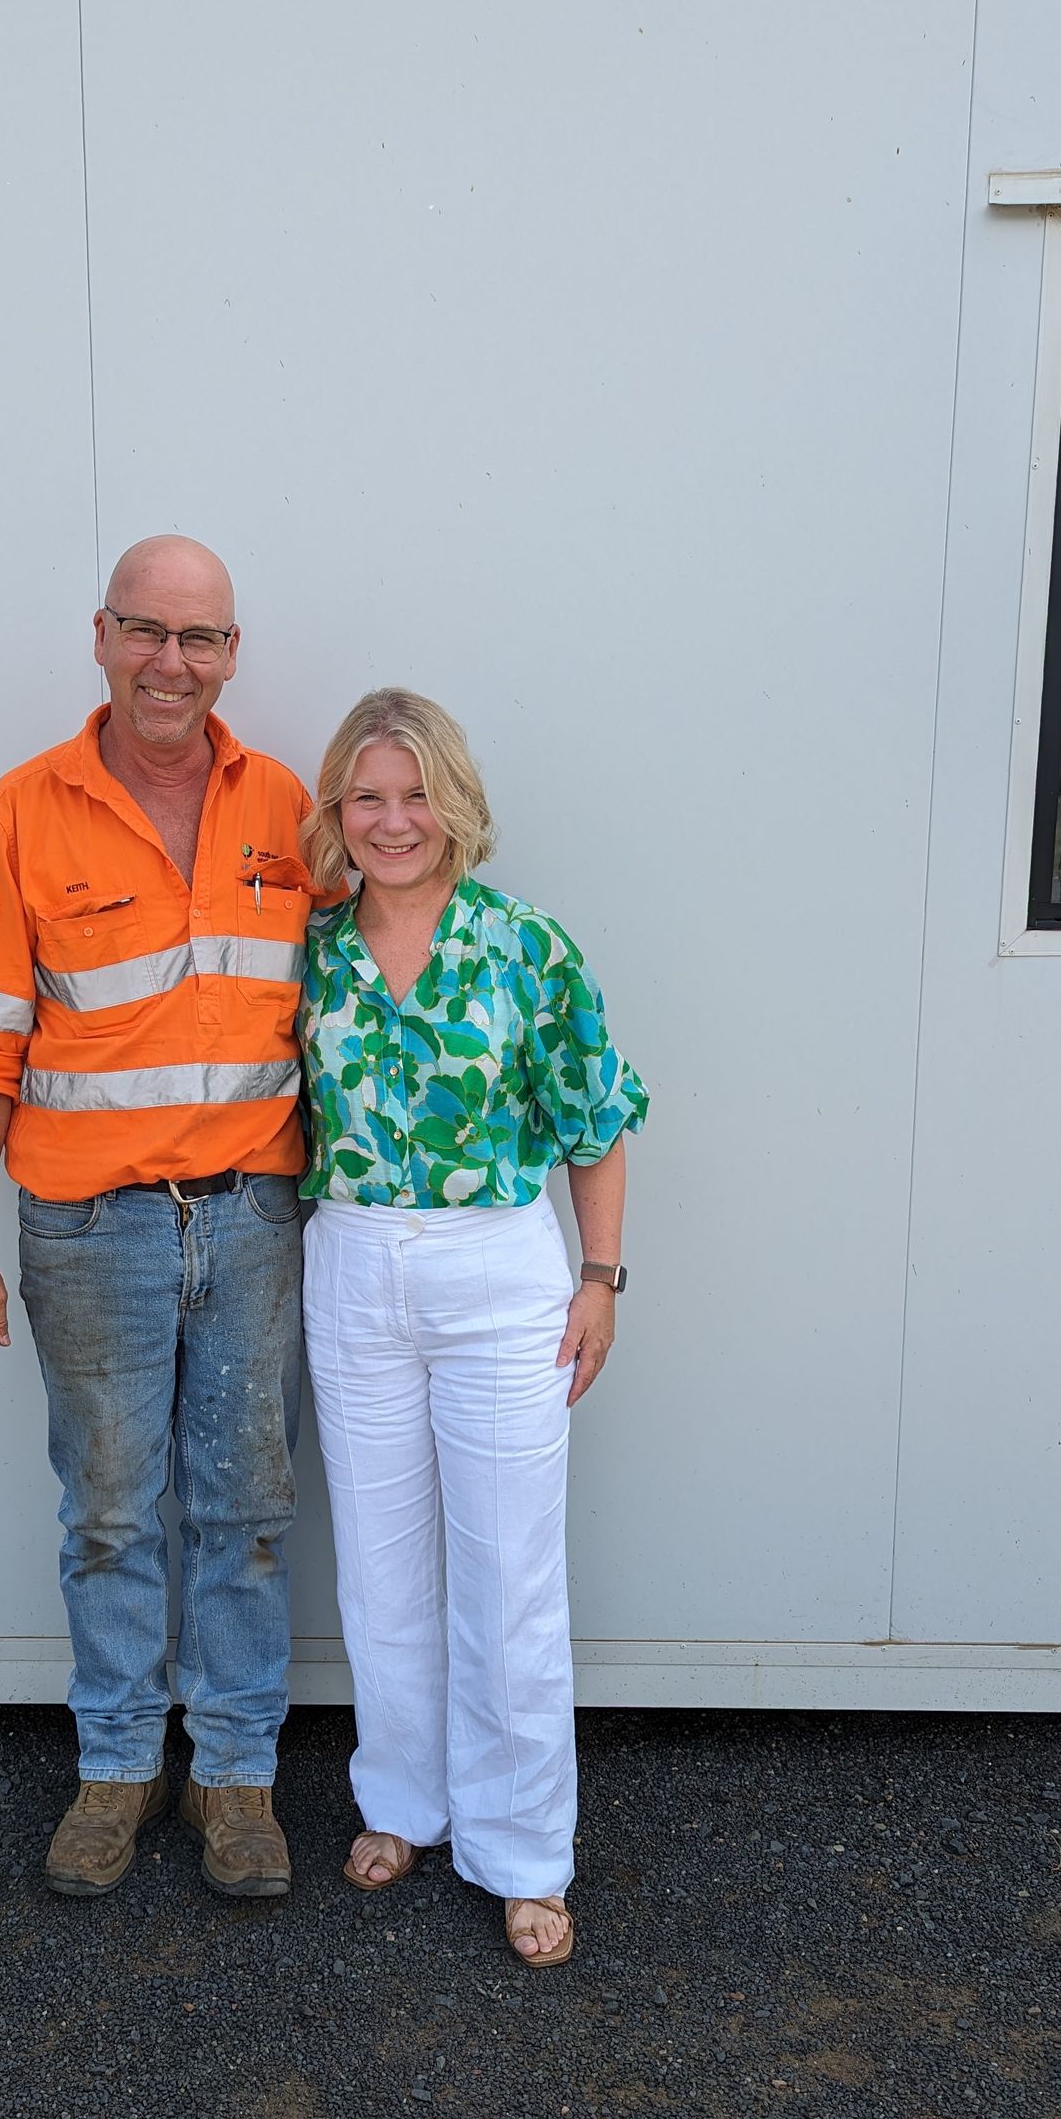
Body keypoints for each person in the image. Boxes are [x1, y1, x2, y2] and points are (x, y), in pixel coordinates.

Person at [0, 536, 322, 1902]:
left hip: (256, 1219)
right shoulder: (20, 813)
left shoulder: (286, 805)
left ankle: (235, 1774)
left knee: (247, 1508)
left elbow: (362, 987)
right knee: (107, 1512)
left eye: (199, 637)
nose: (171, 662)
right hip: (91, 1232)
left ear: (232, 654)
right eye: (146, 631)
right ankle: (115, 1766)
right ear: (99, 636)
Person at [296, 688, 647, 1968]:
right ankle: (402, 1802)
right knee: (379, 1567)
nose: (393, 821)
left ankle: (523, 1852)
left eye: (416, 795)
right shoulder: (312, 949)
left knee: (509, 1577)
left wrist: (599, 1277)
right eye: (368, 797)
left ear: (455, 804)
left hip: (498, 1273)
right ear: (338, 809)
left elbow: (597, 1121)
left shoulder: (523, 946)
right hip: (351, 1264)